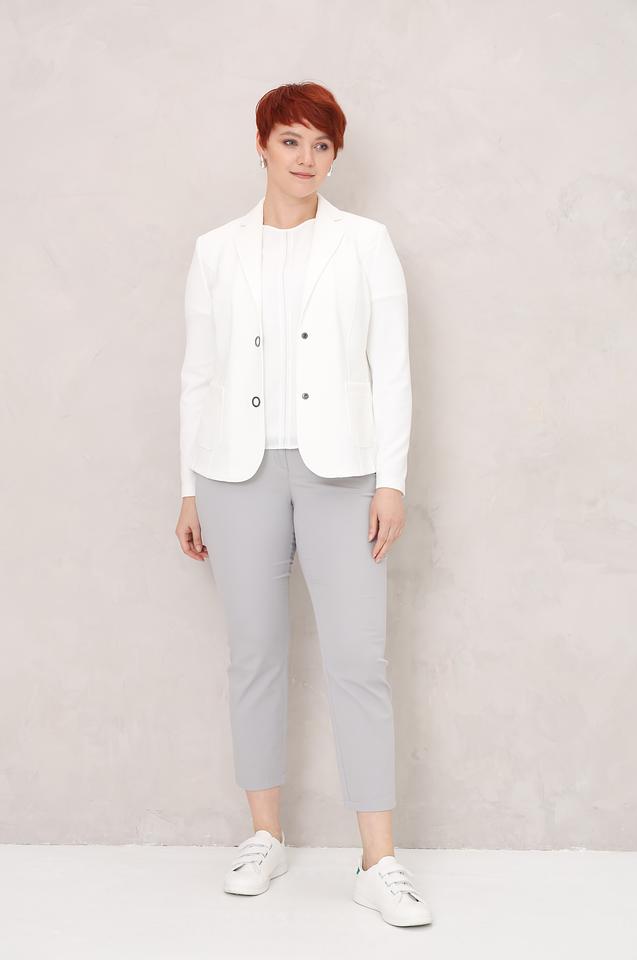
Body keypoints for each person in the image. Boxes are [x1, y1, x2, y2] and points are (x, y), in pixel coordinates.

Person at [175, 81, 431, 927]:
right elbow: (199, 374)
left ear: (334, 157)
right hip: (234, 474)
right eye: (291, 141)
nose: (306, 158)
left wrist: (390, 480)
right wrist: (189, 488)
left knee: (359, 659)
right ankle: (264, 836)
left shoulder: (366, 242)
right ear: (262, 145)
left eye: (322, 145)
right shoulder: (216, 249)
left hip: (343, 473)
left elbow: (391, 369)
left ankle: (378, 862)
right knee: (255, 653)